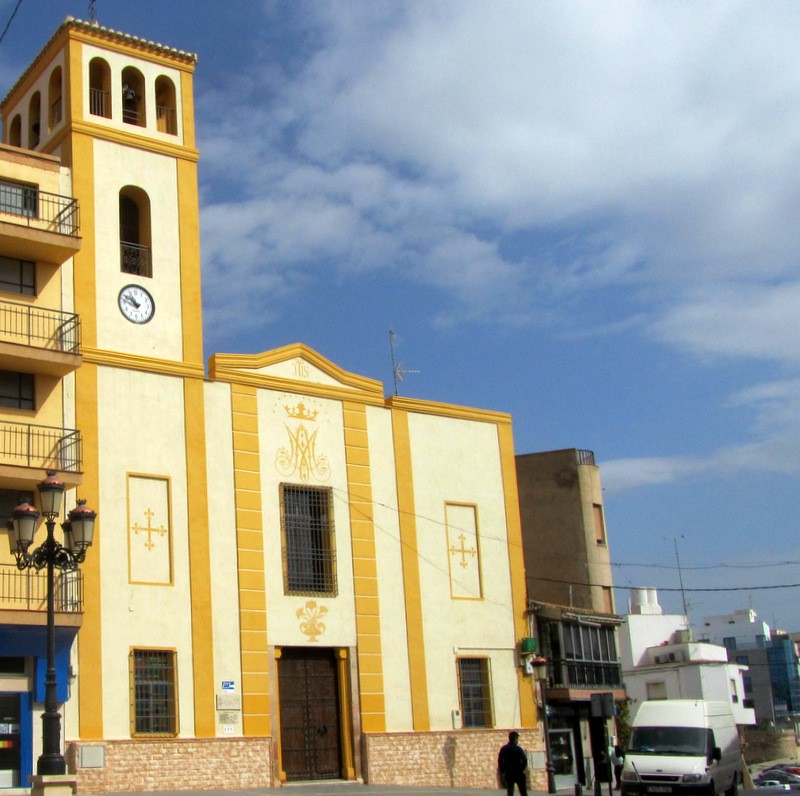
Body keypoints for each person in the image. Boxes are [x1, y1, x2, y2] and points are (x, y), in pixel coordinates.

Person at [498, 730, 528, 796]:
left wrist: (503, 770)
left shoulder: (504, 749)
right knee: (523, 792)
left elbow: (500, 760)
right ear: (516, 739)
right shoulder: (518, 749)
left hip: (509, 773)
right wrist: (521, 769)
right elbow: (525, 760)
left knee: (510, 792)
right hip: (518, 773)